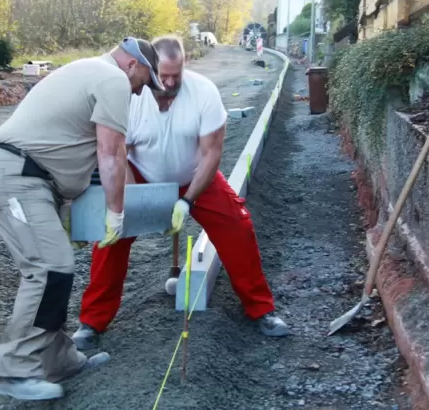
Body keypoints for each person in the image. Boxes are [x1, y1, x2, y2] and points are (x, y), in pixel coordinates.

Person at [0, 37, 165, 401]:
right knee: (49, 269)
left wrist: (67, 212)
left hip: (30, 179)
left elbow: (65, 145)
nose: (140, 92)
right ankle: (13, 369)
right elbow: (111, 154)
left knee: (58, 269)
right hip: (17, 177)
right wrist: (116, 213)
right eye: (143, 82)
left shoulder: (87, 70)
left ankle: (59, 359)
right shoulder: (112, 81)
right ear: (132, 65)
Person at [73, 35, 289, 351]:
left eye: (177, 74)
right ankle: (92, 322)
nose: (171, 82)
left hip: (195, 178)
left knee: (237, 225)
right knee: (111, 237)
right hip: (141, 176)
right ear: (150, 69)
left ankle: (261, 309)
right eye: (164, 75)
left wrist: (187, 201)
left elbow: (211, 154)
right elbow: (119, 154)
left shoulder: (204, 93)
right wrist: (139, 204)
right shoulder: (129, 98)